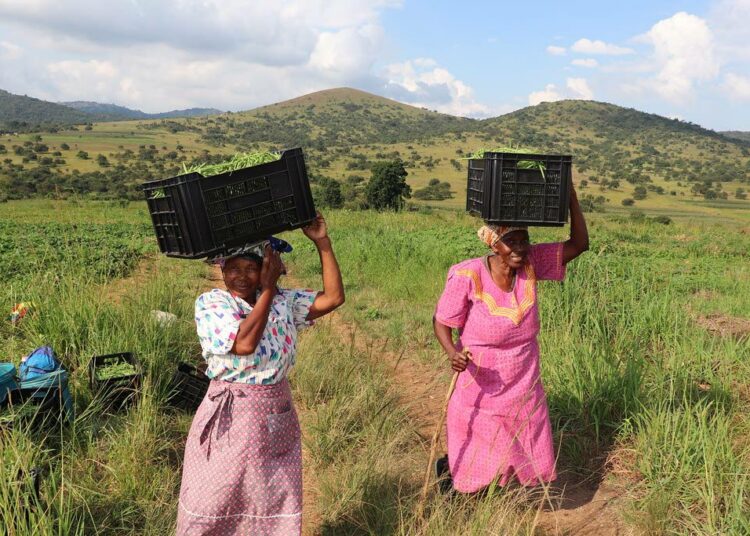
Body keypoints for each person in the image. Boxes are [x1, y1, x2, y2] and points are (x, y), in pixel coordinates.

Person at [176, 212, 344, 535]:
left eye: (251, 268)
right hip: (228, 417)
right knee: (213, 502)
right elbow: (245, 343)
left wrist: (323, 242)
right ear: (221, 268)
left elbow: (334, 297)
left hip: (273, 417)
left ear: (266, 268)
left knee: (268, 503)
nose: (241, 276)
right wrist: (267, 289)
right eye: (233, 268)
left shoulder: (284, 302)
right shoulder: (212, 304)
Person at [433, 185, 589, 494]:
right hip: (479, 376)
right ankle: (458, 480)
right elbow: (441, 322)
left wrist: (571, 198)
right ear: (494, 244)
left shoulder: (533, 264)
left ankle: (502, 489)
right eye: (510, 242)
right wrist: (452, 352)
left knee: (520, 432)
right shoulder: (468, 275)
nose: (519, 248)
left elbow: (580, 244)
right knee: (481, 437)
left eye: (524, 240)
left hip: (523, 374)